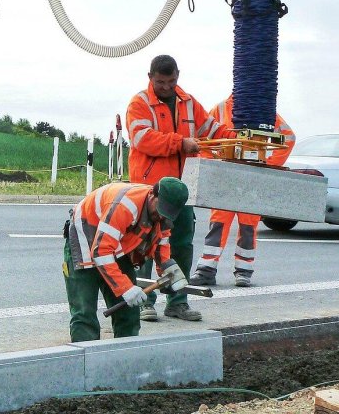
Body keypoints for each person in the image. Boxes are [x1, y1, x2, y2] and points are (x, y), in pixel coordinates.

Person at [126, 55, 237, 322]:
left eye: (171, 81)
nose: (166, 87)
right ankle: (145, 301)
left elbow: (212, 129)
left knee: (181, 245)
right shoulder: (139, 103)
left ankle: (177, 301)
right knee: (144, 246)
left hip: (181, 191)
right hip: (150, 191)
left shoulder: (188, 103)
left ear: (178, 75)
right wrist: (180, 143)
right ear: (150, 77)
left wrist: (237, 139)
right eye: (161, 82)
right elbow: (143, 140)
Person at [62, 178, 189, 342]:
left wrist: (168, 269)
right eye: (159, 209)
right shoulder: (126, 206)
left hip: (115, 245)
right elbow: (100, 251)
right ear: (152, 194)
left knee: (129, 313)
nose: (160, 215)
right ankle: (86, 361)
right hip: (84, 239)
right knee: (84, 312)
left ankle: (124, 359)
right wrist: (125, 288)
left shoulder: (163, 215)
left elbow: (161, 242)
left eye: (166, 213)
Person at [190, 95, 296, 287]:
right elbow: (203, 138)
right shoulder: (223, 109)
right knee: (219, 223)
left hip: (250, 179)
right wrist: (214, 164)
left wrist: (268, 165)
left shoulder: (263, 110)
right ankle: (207, 269)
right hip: (227, 177)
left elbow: (288, 138)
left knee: (247, 225)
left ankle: (243, 271)